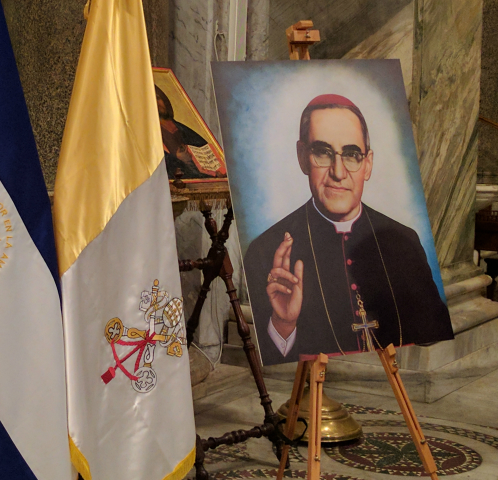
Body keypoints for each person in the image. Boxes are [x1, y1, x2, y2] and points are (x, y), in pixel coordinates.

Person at [243, 94, 453, 365]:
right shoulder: (266, 250)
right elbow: (261, 361)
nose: (338, 172)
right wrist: (283, 325)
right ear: (302, 157)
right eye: (322, 152)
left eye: (352, 155)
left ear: (368, 164)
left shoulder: (404, 242)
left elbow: (431, 333)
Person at [155, 86, 226, 180]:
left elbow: (203, 151)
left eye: (158, 98)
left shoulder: (182, 128)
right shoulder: (149, 135)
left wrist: (215, 172)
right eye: (151, 99)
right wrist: (178, 159)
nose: (156, 103)